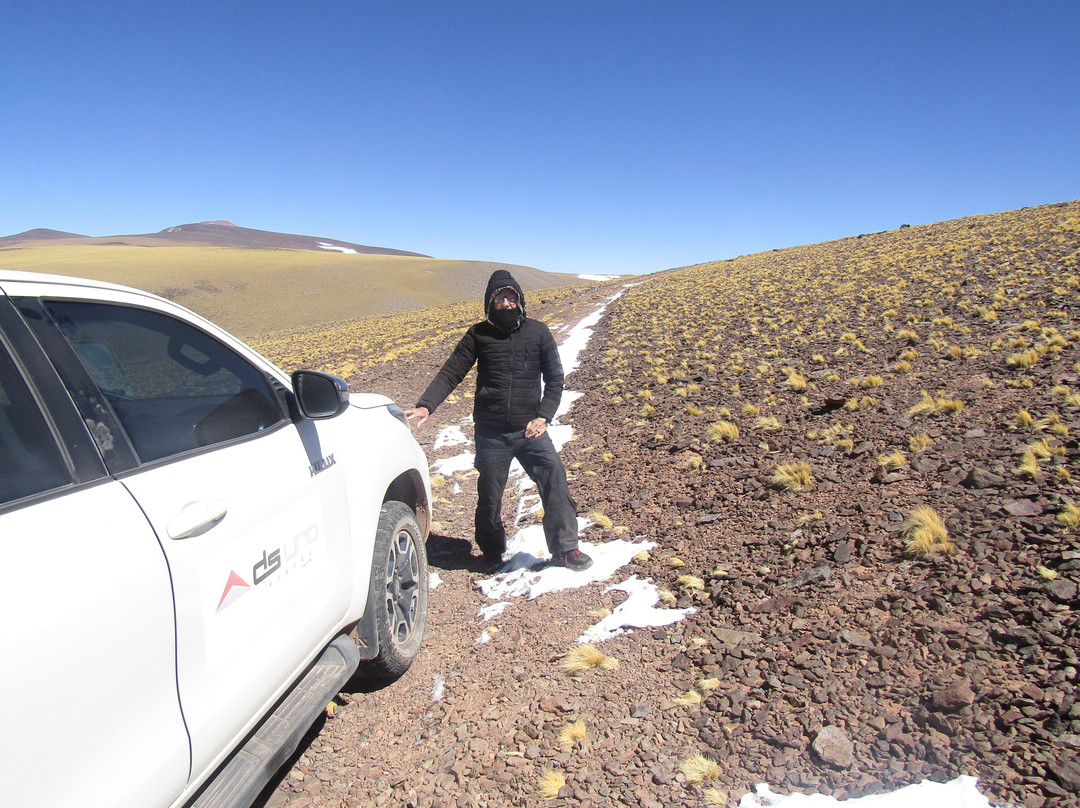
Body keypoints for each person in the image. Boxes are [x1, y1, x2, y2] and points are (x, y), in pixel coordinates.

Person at [405, 270, 593, 572]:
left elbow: (555, 379)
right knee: (489, 495)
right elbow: (451, 372)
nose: (506, 303)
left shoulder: (538, 332)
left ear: (519, 301)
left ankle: (566, 549)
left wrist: (543, 416)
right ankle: (492, 552)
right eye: (500, 298)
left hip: (530, 430)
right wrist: (427, 406)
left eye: (511, 297)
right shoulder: (478, 334)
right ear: (490, 303)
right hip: (491, 433)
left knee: (555, 480)